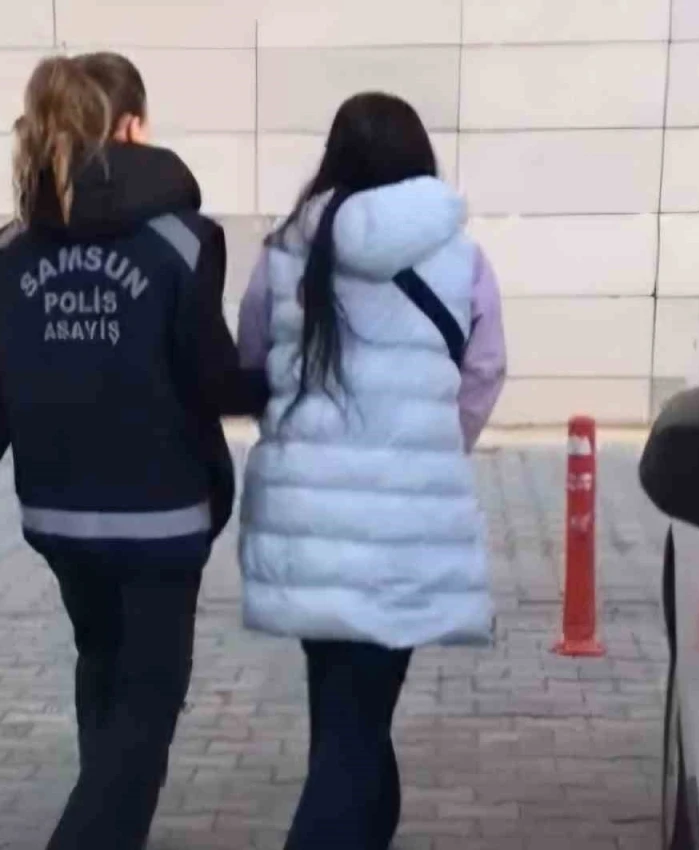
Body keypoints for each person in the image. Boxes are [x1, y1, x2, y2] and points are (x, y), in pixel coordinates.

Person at [0, 53, 266, 850]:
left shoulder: (12, 247)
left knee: (103, 670)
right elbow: (216, 382)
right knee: (147, 705)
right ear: (133, 128)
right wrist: (303, 374)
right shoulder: (183, 241)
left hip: (60, 517)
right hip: (160, 520)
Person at [236, 92, 507, 850]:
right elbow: (485, 367)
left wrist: (301, 447)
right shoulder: (460, 257)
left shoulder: (288, 250)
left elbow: (255, 361)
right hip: (405, 530)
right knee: (357, 723)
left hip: (311, 528)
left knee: (345, 718)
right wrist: (434, 446)